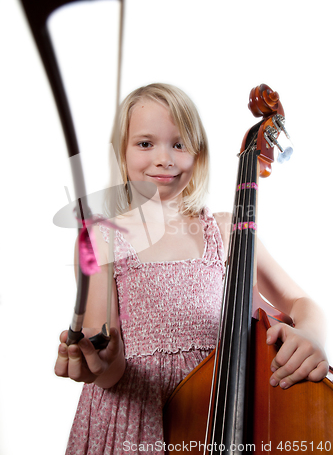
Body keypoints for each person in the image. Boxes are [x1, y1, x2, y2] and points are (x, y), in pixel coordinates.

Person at [55, 83, 329, 454]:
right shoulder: (102, 239)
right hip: (135, 420)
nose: (164, 158)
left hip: (224, 404)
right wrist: (99, 363)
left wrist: (311, 333)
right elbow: (110, 364)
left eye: (179, 144)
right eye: (145, 143)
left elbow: (298, 300)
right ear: (121, 152)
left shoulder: (225, 231)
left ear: (198, 156)